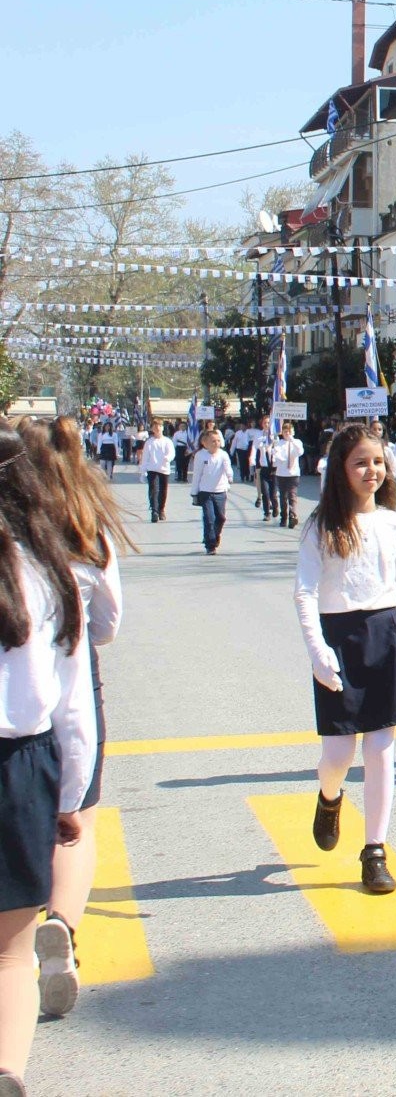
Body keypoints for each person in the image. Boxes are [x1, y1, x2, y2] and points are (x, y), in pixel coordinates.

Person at [17, 420, 127, 1025]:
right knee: (78, 817)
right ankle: (61, 926)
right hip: (72, 668)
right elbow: (109, 623)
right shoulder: (86, 527)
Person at [0, 422, 96, 1095]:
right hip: (23, 767)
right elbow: (73, 710)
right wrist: (69, 799)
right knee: (9, 953)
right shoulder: (51, 571)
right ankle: (6, 1067)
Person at [295, 424, 396, 895]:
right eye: (360, 462)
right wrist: (318, 651)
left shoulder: (394, 522)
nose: (371, 470)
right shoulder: (322, 526)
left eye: (378, 462)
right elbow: (304, 593)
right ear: (341, 471)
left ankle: (375, 852)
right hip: (339, 639)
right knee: (338, 754)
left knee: (381, 748)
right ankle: (329, 797)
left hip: (385, 635)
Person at [191, 426, 233, 555]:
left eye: (218, 441)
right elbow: (197, 474)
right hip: (206, 492)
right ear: (205, 443)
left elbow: (228, 468)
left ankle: (215, 535)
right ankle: (210, 545)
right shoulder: (200, 455)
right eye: (213, 441)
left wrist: (230, 476)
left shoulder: (223, 455)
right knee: (209, 518)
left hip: (220, 491)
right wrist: (194, 492)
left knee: (220, 518)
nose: (216, 444)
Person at [270, 422, 305, 531]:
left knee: (292, 495)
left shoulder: (297, 442)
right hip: (281, 473)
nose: (287, 434)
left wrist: (292, 440)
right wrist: (274, 453)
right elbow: (276, 461)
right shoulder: (279, 444)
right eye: (285, 432)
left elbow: (300, 452)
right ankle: (283, 517)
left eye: (289, 431)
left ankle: (292, 516)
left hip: (293, 474)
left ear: (292, 432)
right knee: (283, 497)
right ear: (282, 433)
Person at [138, 419, 174, 523]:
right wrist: (143, 471)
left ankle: (161, 509)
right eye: (155, 426)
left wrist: (168, 458)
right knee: (154, 490)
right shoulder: (149, 442)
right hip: (152, 469)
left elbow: (172, 453)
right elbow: (145, 457)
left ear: (162, 428)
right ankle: (154, 511)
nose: (157, 428)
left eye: (159, 426)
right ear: (152, 429)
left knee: (163, 491)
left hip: (164, 469)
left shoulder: (167, 441)